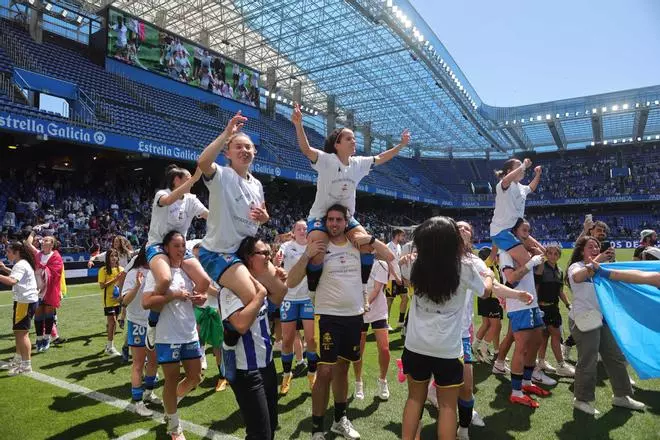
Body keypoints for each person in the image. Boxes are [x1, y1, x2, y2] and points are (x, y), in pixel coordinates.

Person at [400, 216, 532, 440]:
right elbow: (486, 291)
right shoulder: (465, 267)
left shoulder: (413, 263)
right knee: (448, 407)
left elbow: (405, 277)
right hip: (448, 349)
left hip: (415, 346)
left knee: (414, 400)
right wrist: (490, 275)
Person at [287, 204, 393, 440]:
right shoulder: (319, 250)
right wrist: (306, 254)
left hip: (354, 317)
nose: (334, 224)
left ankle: (339, 419)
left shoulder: (359, 246)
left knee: (343, 369)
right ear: (325, 223)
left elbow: (389, 256)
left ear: (347, 223)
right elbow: (291, 283)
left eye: (339, 220)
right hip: (327, 317)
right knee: (324, 371)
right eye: (330, 220)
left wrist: (371, 239)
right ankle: (316, 429)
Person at [291, 102, 407, 301]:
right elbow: (306, 149)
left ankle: (363, 289)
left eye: (354, 138)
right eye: (349, 138)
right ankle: (313, 290)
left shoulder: (358, 164)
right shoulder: (327, 160)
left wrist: (401, 145)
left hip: (346, 218)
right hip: (321, 216)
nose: (354, 141)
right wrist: (298, 124)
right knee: (317, 251)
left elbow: (380, 157)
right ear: (337, 144)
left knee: (366, 246)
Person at [567, 236, 646, 415]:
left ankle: (622, 395)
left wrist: (609, 262)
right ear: (581, 251)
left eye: (597, 246)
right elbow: (578, 277)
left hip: (603, 318)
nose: (595, 248)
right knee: (588, 359)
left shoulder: (602, 267)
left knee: (614, 356)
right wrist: (598, 261)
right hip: (584, 318)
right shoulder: (576, 266)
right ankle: (582, 399)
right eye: (591, 247)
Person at [142, 231, 209, 440]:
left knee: (195, 377)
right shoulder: (156, 272)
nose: (181, 250)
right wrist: (174, 295)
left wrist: (201, 298)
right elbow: (146, 302)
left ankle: (169, 403)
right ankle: (173, 425)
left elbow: (203, 297)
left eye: (183, 246)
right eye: (176, 246)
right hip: (167, 336)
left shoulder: (189, 271)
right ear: (166, 248)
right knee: (170, 379)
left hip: (189, 333)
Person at [221, 236, 288, 440]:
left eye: (269, 252)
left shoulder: (259, 283)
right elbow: (240, 324)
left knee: (271, 426)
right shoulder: (229, 289)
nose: (269, 257)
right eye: (264, 253)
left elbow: (278, 297)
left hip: (267, 365)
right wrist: (260, 295)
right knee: (259, 433)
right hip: (246, 371)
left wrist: (278, 280)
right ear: (248, 258)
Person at [143, 164, 210, 350]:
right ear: (176, 180)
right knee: (165, 279)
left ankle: (192, 315)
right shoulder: (162, 194)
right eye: (187, 178)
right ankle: (153, 324)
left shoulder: (191, 199)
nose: (192, 182)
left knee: (204, 281)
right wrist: (195, 178)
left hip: (180, 246)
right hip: (158, 245)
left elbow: (207, 215)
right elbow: (168, 200)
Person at [498, 221, 555, 408]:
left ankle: (527, 382)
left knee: (537, 341)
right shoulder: (506, 252)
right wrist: (531, 262)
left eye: (530, 231)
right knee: (522, 347)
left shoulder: (525, 251)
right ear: (514, 233)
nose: (528, 234)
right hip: (519, 304)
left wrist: (537, 257)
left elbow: (538, 269)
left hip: (532, 303)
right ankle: (516, 392)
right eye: (524, 230)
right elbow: (511, 279)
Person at [277, 220, 318, 394]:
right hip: (289, 299)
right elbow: (276, 261)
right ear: (293, 231)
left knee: (312, 340)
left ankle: (312, 373)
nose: (302, 231)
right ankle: (287, 374)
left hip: (308, 299)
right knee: (286, 340)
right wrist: (276, 259)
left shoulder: (313, 246)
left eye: (305, 228)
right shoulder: (287, 246)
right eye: (299, 228)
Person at [121, 247, 161, 416]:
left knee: (154, 361)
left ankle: (149, 392)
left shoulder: (158, 271)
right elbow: (124, 301)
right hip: (137, 322)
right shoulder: (133, 273)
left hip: (155, 323)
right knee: (138, 363)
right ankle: (138, 402)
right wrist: (137, 286)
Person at [489, 158, 544, 270]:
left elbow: (531, 188)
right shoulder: (503, 185)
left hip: (514, 229)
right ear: (509, 171)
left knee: (542, 253)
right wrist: (523, 165)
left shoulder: (521, 187)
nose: (523, 169)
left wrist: (537, 174)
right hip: (502, 232)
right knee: (527, 263)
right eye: (518, 166)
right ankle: (505, 280)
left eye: (522, 166)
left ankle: (492, 260)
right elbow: (505, 181)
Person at [352, 259, 391, 401]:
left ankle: (383, 381)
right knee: (358, 350)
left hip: (377, 311)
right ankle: (358, 382)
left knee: (384, 349)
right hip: (357, 310)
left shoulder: (381, 263)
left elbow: (376, 288)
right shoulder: (353, 261)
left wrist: (365, 304)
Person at [534, 244, 574, 377]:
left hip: (553, 308)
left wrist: (568, 304)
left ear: (559, 256)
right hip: (541, 308)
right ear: (546, 254)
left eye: (555, 254)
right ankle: (561, 365)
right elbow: (536, 287)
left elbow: (560, 292)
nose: (552, 256)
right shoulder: (541, 269)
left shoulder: (560, 271)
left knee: (546, 336)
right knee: (555, 335)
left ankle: (541, 361)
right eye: (549, 253)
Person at [0, 242, 38, 376]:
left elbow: (12, 281)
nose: (6, 254)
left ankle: (26, 365)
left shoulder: (21, 264)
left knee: (22, 333)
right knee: (19, 332)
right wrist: (4, 269)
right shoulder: (22, 264)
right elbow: (16, 277)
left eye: (8, 251)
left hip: (24, 302)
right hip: (25, 301)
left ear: (16, 252)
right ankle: (18, 359)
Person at [25, 232, 63, 353]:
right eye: (43, 240)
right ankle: (39, 339)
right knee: (38, 315)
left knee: (48, 314)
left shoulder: (56, 256)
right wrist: (32, 232)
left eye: (46, 240)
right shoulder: (38, 254)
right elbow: (27, 244)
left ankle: (46, 339)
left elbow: (56, 273)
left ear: (51, 244)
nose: (43, 241)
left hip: (50, 290)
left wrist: (42, 267)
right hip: (37, 289)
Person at [473, 246, 503, 363]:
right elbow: (494, 253)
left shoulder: (489, 265)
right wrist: (496, 237)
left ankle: (475, 347)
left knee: (486, 324)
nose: (497, 257)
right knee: (496, 326)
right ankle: (483, 348)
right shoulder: (487, 264)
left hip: (485, 298)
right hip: (490, 299)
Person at [98, 249, 126, 356]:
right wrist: (115, 279)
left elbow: (123, 283)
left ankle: (109, 345)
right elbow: (102, 286)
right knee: (113, 322)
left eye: (115, 256)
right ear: (107, 258)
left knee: (113, 325)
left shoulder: (121, 269)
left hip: (118, 300)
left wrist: (121, 295)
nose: (113, 258)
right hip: (108, 301)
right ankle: (110, 347)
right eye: (111, 256)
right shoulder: (103, 270)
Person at [386, 229, 406, 330]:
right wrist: (396, 276)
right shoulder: (388, 246)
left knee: (405, 298)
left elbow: (398, 263)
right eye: (402, 236)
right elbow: (388, 264)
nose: (403, 238)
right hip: (391, 279)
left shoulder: (398, 246)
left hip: (399, 277)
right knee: (389, 301)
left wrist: (402, 276)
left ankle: (400, 322)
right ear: (397, 235)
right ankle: (386, 323)